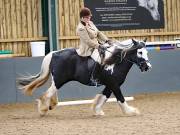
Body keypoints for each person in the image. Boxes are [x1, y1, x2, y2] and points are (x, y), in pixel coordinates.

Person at [76, 7, 111, 86]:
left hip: (97, 44)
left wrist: (106, 40)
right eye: (87, 17)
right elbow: (88, 41)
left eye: (89, 17)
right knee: (99, 58)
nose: (89, 18)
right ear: (82, 18)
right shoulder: (81, 28)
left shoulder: (90, 23)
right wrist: (99, 46)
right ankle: (94, 78)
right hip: (88, 48)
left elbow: (98, 33)